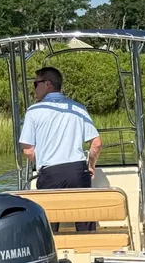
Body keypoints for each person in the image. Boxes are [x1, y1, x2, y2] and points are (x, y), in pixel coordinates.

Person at [19, 67, 102, 231]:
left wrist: (42, 159)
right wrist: (91, 165)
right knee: (85, 223)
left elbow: (28, 150)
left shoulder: (33, 111)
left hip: (50, 173)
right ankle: (87, 252)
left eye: (36, 84)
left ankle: (51, 254)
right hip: (78, 172)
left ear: (47, 84)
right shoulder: (78, 108)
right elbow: (96, 143)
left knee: (49, 227)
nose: (33, 88)